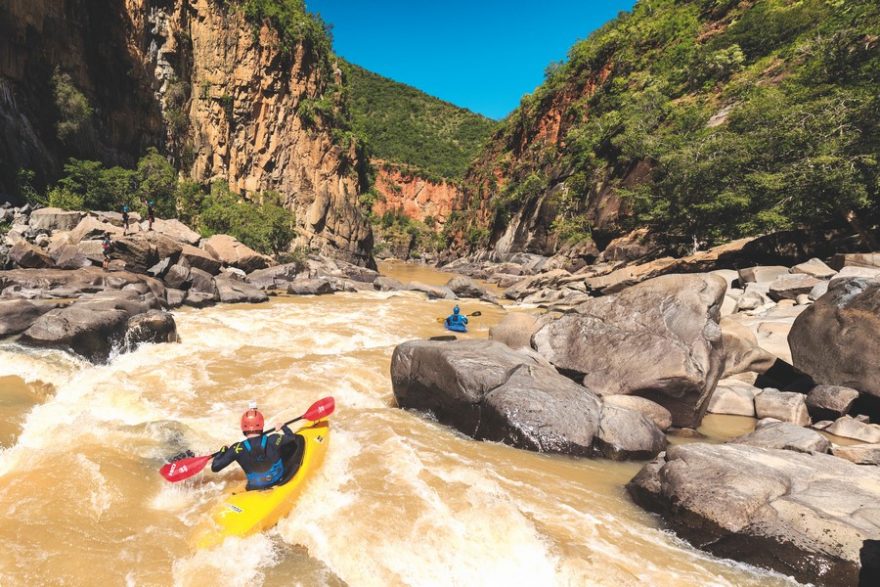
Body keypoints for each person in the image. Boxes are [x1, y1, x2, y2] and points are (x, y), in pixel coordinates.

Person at [211, 402, 304, 491]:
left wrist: (223, 450)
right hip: (278, 480)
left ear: (243, 427)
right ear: (261, 426)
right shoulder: (273, 439)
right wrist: (283, 427)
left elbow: (215, 467)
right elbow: (291, 438)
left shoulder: (236, 448)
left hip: (254, 488)